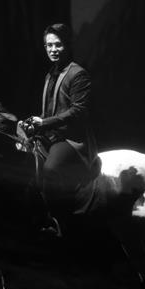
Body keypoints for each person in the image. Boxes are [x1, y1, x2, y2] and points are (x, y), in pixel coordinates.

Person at [26, 23, 98, 235]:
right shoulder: (50, 74)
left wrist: (44, 123)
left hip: (72, 139)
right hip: (50, 135)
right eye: (49, 45)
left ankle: (61, 222)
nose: (53, 49)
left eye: (58, 45)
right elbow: (49, 111)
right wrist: (33, 122)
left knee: (50, 170)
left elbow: (78, 111)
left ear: (67, 45)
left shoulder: (78, 74)